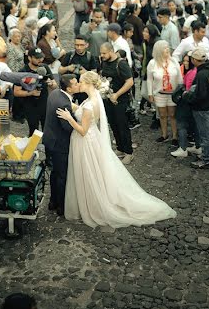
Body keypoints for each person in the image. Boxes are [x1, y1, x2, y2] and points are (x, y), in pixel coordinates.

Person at [55, 70, 176, 228]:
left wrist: (69, 118)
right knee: (95, 172)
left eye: (82, 82)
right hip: (93, 139)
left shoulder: (89, 104)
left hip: (85, 142)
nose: (79, 84)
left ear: (90, 84)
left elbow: (83, 130)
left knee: (89, 173)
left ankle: (93, 204)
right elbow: (84, 111)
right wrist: (70, 105)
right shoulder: (92, 100)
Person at [42, 74, 77, 216]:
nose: (78, 84)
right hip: (60, 144)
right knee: (62, 175)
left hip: (50, 139)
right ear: (68, 88)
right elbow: (68, 127)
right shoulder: (64, 103)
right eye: (75, 84)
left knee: (55, 172)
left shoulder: (56, 93)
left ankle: (53, 201)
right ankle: (61, 206)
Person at [99, 43, 134, 163]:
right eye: (101, 53)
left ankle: (129, 152)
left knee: (122, 126)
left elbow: (129, 82)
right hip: (107, 99)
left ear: (111, 51)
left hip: (120, 101)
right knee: (113, 124)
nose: (102, 55)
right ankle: (120, 148)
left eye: (104, 53)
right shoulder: (103, 62)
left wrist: (117, 94)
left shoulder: (121, 64)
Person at [146, 40, 182, 144]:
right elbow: (149, 79)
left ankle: (175, 136)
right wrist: (150, 93)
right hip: (159, 93)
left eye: (167, 47)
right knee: (162, 115)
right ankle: (164, 134)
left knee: (173, 114)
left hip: (173, 94)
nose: (167, 50)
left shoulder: (174, 61)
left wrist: (181, 90)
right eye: (164, 48)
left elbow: (179, 77)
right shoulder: (152, 63)